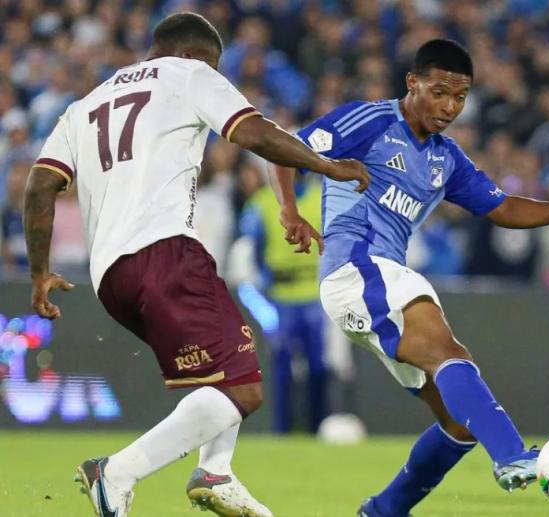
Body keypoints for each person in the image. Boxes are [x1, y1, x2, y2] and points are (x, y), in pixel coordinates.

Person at [23, 12, 369, 517]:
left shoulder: (84, 105)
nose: (215, 75)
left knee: (225, 363)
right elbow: (252, 132)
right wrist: (325, 166)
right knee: (245, 388)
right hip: (165, 251)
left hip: (111, 277)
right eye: (213, 65)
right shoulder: (188, 73)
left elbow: (39, 185)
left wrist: (39, 272)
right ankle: (116, 473)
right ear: (192, 54)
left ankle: (216, 471)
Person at [275, 39, 549, 517]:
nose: (449, 107)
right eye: (439, 93)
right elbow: (283, 147)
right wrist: (290, 211)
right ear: (412, 83)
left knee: (460, 420)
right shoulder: (371, 121)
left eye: (459, 97)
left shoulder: (446, 157)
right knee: (451, 356)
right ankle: (512, 455)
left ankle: (383, 510)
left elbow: (502, 208)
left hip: (377, 281)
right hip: (357, 267)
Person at [239, 173, 330, 434]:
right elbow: (253, 245)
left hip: (314, 291)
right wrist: (264, 279)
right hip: (280, 293)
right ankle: (282, 428)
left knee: (318, 365)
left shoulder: (320, 198)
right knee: (281, 364)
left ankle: (315, 426)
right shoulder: (262, 202)